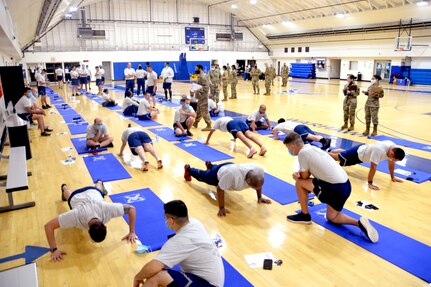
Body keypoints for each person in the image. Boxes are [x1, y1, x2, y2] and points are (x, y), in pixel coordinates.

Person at [283, 132, 379, 243]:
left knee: (299, 183)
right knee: (332, 217)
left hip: (335, 188)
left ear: (292, 146)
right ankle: (358, 223)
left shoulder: (303, 153)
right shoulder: (312, 148)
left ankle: (305, 216)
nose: (289, 150)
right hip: (346, 186)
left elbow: (304, 177)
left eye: (288, 147)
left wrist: (296, 175)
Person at [133, 200, 223, 287]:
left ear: (171, 221)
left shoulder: (179, 241)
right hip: (210, 280)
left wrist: (137, 277)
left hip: (207, 284)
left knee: (156, 276)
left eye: (165, 218)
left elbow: (153, 268)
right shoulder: (195, 223)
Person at [44, 180, 137, 262]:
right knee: (70, 198)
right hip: (79, 195)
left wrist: (132, 232)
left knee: (97, 193)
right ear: (88, 231)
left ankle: (99, 182)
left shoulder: (107, 209)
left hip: (93, 192)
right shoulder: (76, 215)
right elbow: (48, 226)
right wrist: (54, 250)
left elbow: (131, 209)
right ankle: (64, 188)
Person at [184, 162, 271, 216]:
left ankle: (210, 165)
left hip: (229, 165)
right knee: (203, 176)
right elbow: (220, 188)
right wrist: (221, 207)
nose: (254, 188)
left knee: (216, 169)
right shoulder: (232, 175)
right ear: (248, 180)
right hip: (217, 174)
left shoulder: (259, 170)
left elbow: (258, 184)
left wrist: (259, 197)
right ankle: (189, 170)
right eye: (252, 186)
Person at [329, 141, 405, 190]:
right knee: (338, 158)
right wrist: (370, 183)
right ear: (392, 154)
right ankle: (323, 154)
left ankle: (331, 151)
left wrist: (392, 177)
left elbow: (391, 163)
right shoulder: (379, 150)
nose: (392, 160)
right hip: (357, 154)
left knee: (345, 154)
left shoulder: (394, 147)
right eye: (393, 159)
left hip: (362, 152)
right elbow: (373, 168)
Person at [192, 64, 212, 131]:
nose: (195, 69)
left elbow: (206, 87)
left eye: (196, 68)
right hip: (200, 96)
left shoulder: (203, 76)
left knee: (204, 111)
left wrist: (197, 88)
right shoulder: (200, 76)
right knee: (199, 110)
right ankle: (196, 122)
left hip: (203, 96)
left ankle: (209, 124)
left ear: (200, 69)